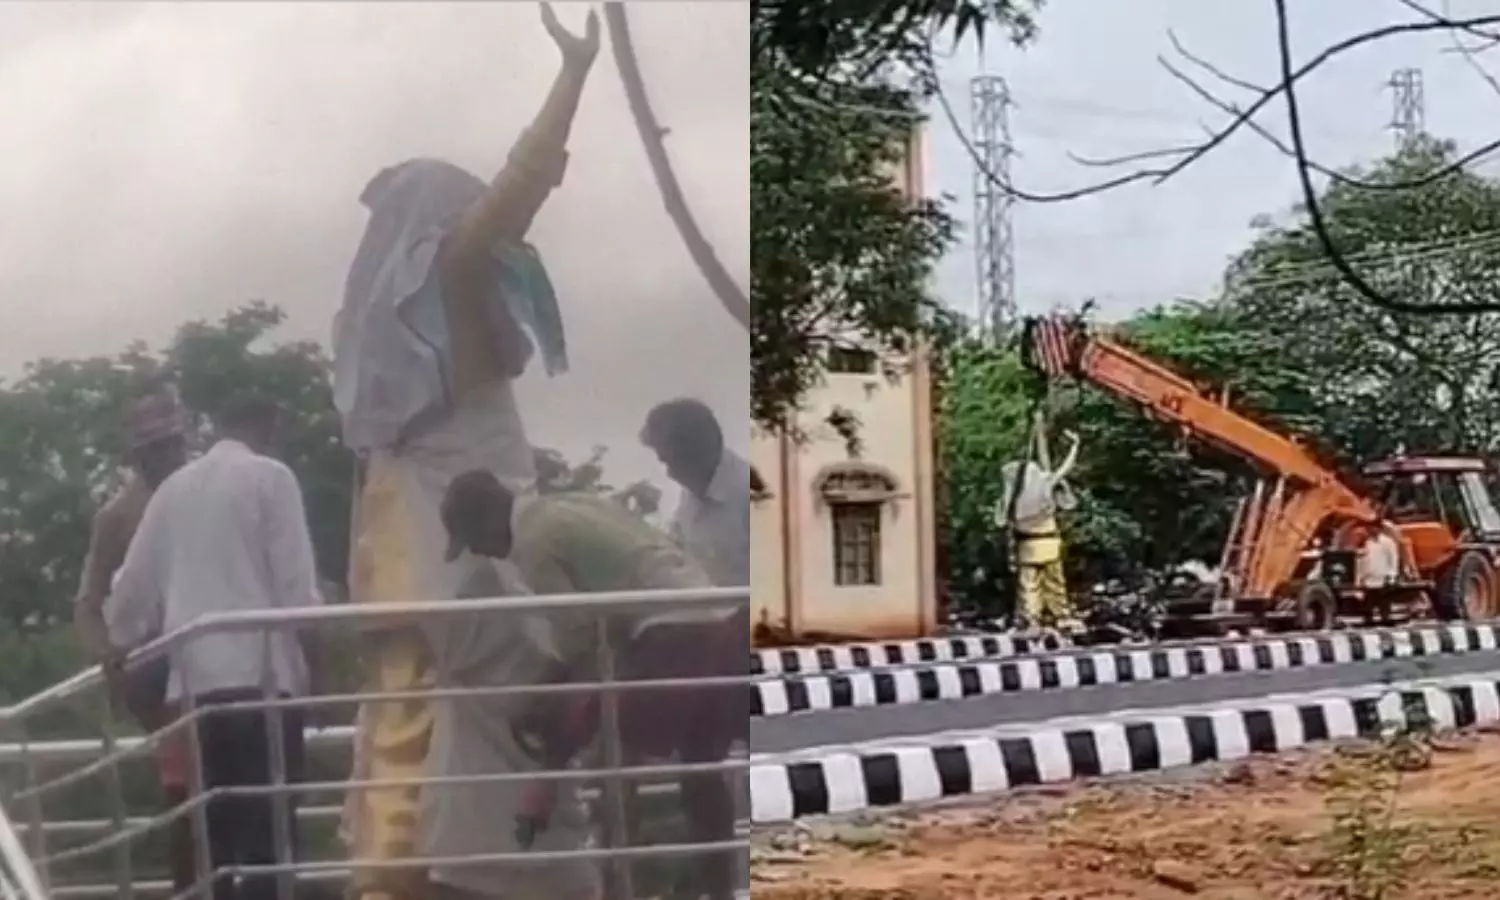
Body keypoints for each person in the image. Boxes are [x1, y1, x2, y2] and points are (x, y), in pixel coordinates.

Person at [332, 8, 600, 894]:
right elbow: (514, 196)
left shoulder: (407, 343)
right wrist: (573, 79)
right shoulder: (444, 278)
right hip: (456, 554)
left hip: (422, 545)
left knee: (417, 720)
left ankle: (412, 875)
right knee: (459, 716)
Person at [437, 469, 746, 900]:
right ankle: (714, 884)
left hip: (669, 630)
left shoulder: (532, 543)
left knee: (610, 743)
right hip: (715, 614)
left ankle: (623, 867)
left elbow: (577, 643)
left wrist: (544, 709)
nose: (481, 552)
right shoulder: (572, 504)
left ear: (489, 519)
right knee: (699, 764)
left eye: (475, 540)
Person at [105, 396, 323, 900]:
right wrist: (320, 679)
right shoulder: (272, 477)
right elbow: (299, 595)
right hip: (267, 683)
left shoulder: (171, 494)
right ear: (268, 426)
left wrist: (131, 661)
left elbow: (124, 606)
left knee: (215, 843)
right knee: (274, 837)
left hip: (197, 693)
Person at [74, 387, 194, 894]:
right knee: (187, 797)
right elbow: (87, 602)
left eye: (171, 445)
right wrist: (107, 655)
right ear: (137, 455)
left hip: (224, 660)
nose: (165, 456)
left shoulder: (209, 491)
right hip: (160, 671)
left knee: (244, 796)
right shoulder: (120, 515)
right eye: (154, 448)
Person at [640, 398, 750, 587]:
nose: (669, 474)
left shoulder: (747, 494)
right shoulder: (690, 496)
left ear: (696, 455)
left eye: (670, 462)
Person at [995, 428, 1081, 633]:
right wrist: (1075, 446)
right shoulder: (1043, 486)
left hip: (1026, 547)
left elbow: (1001, 521)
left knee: (1029, 585)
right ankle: (1061, 615)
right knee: (1054, 582)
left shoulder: (1012, 501)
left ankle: (1031, 618)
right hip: (1048, 543)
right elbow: (1065, 469)